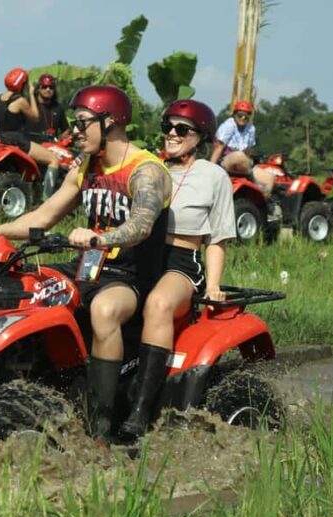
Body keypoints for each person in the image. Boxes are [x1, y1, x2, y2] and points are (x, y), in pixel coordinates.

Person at [0, 85, 172, 443]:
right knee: (27, 284)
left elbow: (141, 226)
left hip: (130, 276)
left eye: (82, 122)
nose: (74, 131)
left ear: (110, 122)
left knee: (103, 310)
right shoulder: (87, 166)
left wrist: (99, 238)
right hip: (89, 266)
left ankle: (100, 424)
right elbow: (44, 215)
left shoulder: (146, 170)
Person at [118, 99, 236, 440]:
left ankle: (140, 411)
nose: (172, 133)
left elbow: (217, 238)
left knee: (158, 304)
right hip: (137, 255)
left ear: (199, 137)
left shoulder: (214, 176)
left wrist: (212, 287)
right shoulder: (147, 166)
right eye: (167, 126)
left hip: (181, 261)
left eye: (181, 129)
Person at [0, 68, 61, 197]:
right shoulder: (19, 100)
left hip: (1, 138)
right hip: (17, 140)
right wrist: (31, 94)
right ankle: (47, 199)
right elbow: (35, 117)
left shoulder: (0, 98)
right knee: (53, 160)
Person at [210, 99, 275, 197]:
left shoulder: (251, 129)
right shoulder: (229, 125)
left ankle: (262, 204)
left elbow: (248, 151)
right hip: (227, 160)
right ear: (235, 115)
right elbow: (219, 147)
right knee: (239, 155)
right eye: (240, 115)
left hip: (244, 165)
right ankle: (252, 179)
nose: (243, 118)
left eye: (246, 116)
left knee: (270, 178)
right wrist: (210, 168)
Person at [26, 73, 70, 140]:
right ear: (38, 89)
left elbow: (66, 129)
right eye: (44, 87)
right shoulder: (30, 104)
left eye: (51, 87)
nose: (48, 89)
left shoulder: (57, 107)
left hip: (52, 147)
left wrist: (61, 139)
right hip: (32, 146)